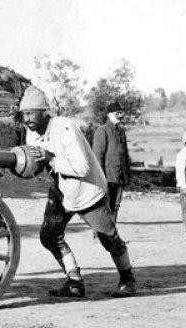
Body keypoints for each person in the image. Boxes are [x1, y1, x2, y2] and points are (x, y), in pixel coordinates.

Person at [19, 86, 135, 298]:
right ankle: (74, 281)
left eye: (30, 113)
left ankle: (127, 279)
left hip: (87, 189)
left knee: (108, 238)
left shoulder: (65, 128)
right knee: (49, 235)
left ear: (44, 111)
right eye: (23, 114)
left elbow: (82, 168)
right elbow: (34, 166)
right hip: (63, 190)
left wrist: (51, 159)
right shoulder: (32, 134)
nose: (26, 119)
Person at [91, 101, 131, 221]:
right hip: (106, 177)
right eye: (117, 113)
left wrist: (127, 176)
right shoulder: (102, 131)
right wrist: (100, 178)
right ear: (109, 115)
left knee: (116, 206)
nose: (120, 115)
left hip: (119, 176)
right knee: (104, 206)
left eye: (121, 113)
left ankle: (112, 236)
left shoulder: (121, 132)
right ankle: (100, 234)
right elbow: (98, 157)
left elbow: (125, 156)